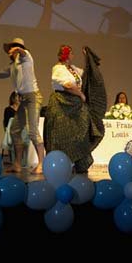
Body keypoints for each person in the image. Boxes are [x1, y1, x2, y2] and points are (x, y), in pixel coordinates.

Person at [0, 37, 45, 174]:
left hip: (33, 97)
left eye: (14, 48)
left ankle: (41, 164)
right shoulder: (12, 67)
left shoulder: (26, 58)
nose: (11, 51)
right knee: (15, 130)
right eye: (11, 48)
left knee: (32, 131)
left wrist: (18, 49)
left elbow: (23, 53)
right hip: (23, 100)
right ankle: (17, 164)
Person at [44, 45, 107, 173]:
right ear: (66, 55)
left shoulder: (72, 69)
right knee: (61, 135)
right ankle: (62, 164)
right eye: (71, 53)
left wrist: (88, 58)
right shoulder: (58, 68)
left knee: (81, 132)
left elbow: (87, 75)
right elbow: (67, 85)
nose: (73, 55)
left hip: (75, 105)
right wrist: (81, 94)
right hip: (61, 104)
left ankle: (77, 162)